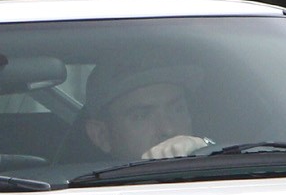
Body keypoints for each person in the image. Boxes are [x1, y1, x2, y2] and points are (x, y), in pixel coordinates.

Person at [80, 63, 214, 160]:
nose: (168, 129)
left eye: (177, 110)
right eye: (141, 116)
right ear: (101, 135)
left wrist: (207, 152)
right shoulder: (85, 190)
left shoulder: (221, 177)